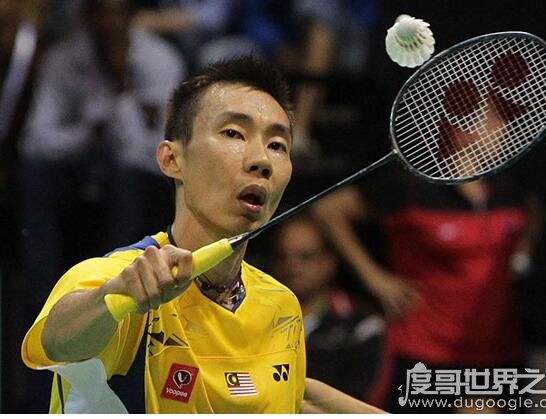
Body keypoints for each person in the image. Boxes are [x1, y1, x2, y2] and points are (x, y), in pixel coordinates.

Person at [21, 55, 385, 414]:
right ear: (171, 160)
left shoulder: (281, 306)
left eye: (277, 144)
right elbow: (57, 342)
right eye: (234, 133)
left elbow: (291, 393)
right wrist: (114, 298)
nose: (262, 160)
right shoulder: (124, 277)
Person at [312, 171, 540, 413]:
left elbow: (535, 209)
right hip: (422, 353)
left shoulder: (509, 179)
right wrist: (375, 279)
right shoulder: (411, 182)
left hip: (499, 351)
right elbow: (327, 210)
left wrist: (524, 252)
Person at [18, 0, 185, 311]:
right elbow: (35, 141)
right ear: (87, 16)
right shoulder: (64, 59)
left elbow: (163, 152)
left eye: (117, 12)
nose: (109, 22)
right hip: (76, 166)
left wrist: (122, 99)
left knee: (126, 181)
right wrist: (88, 131)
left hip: (136, 176)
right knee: (34, 177)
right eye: (101, 12)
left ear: (132, 14)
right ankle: (42, 305)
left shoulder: (159, 61)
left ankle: (115, 296)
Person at [270, 216, 385, 401]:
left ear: (329, 261)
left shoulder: (361, 327)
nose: (291, 266)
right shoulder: (255, 318)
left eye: (305, 257)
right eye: (282, 256)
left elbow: (359, 397)